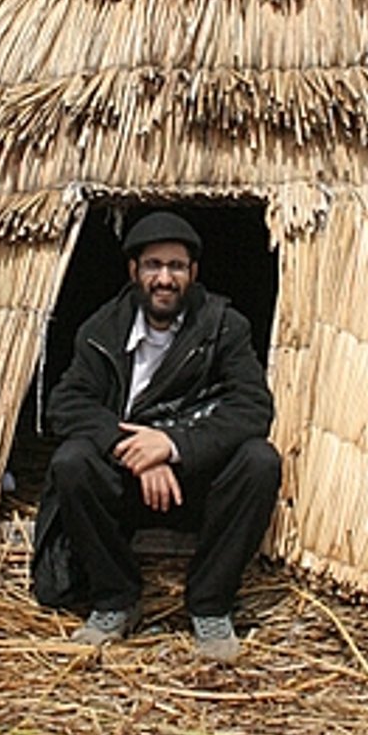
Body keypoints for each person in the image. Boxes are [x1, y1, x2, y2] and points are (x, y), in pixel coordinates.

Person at [34, 210, 281, 663]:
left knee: (259, 461)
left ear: (193, 274)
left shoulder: (224, 326)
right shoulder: (102, 329)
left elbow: (252, 407)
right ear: (134, 272)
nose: (164, 278)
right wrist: (134, 451)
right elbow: (67, 404)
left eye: (176, 267)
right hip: (126, 485)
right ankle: (114, 598)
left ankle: (210, 604)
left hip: (196, 484)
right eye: (153, 266)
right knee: (72, 462)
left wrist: (172, 446)